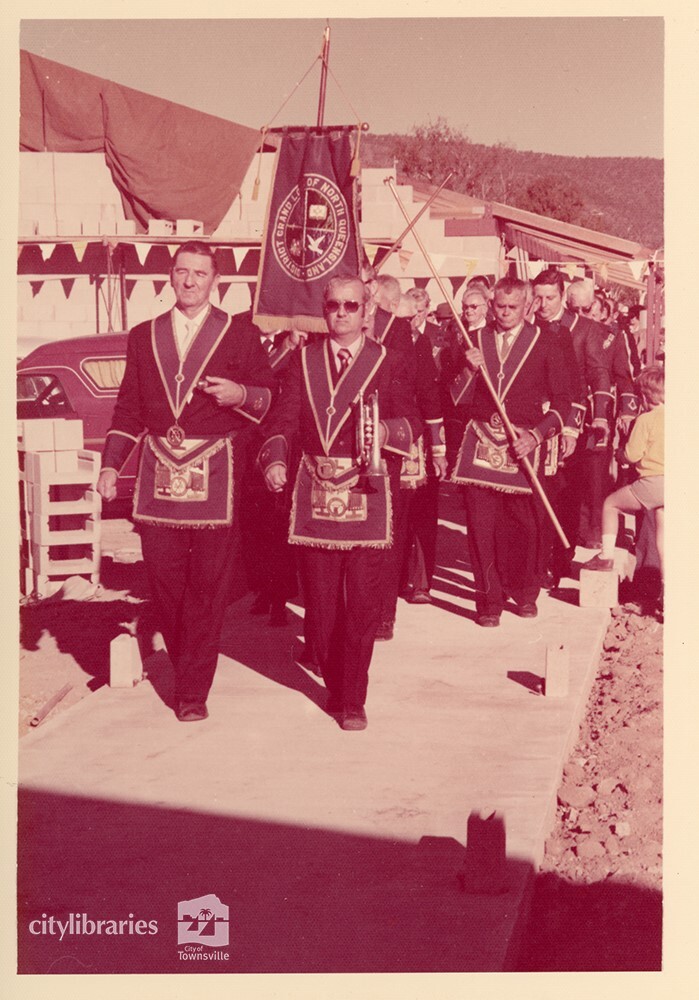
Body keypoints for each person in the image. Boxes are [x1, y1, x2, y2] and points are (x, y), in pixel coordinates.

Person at [97, 242, 276, 722]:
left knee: (209, 588)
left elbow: (269, 399)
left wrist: (241, 393)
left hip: (217, 475)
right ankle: (186, 663)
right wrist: (111, 465)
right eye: (182, 272)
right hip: (158, 477)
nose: (191, 281)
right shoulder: (143, 335)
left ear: (215, 280)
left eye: (200, 273)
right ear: (170, 277)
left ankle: (192, 690)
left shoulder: (239, 335)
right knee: (166, 583)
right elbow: (128, 409)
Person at [260, 274, 421, 730]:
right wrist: (274, 459)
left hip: (368, 497)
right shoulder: (302, 359)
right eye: (334, 306)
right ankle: (335, 680)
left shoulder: (389, 360)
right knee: (323, 608)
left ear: (367, 309)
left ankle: (353, 698)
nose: (342, 314)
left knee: (364, 605)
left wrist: (387, 432)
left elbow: (412, 420)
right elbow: (284, 417)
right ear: (324, 309)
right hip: (314, 494)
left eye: (352, 305)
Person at [449, 277, 571, 626]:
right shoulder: (475, 340)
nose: (504, 313)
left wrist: (536, 434)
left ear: (528, 305)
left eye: (512, 307)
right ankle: (488, 600)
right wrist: (468, 369)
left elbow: (565, 402)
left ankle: (525, 590)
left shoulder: (546, 342)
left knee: (525, 526)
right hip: (480, 442)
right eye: (499, 306)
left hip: (522, 444)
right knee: (480, 526)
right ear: (491, 305)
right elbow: (453, 397)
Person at [586, 365, 664, 584]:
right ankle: (665, 592)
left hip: (653, 481)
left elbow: (632, 454)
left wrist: (620, 453)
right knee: (663, 540)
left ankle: (606, 556)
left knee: (611, 504)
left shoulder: (646, 419)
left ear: (644, 397)